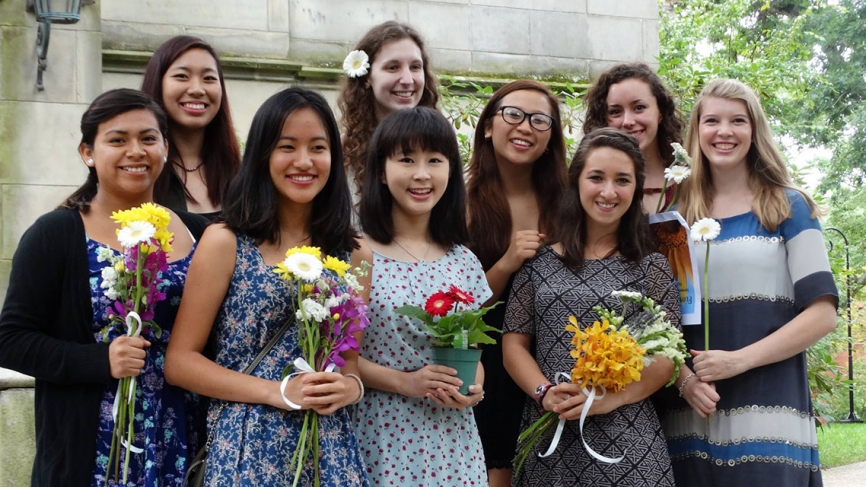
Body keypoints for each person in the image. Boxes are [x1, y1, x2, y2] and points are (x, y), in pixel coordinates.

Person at [0, 88, 209, 486]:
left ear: (166, 148)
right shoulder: (56, 233)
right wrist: (98, 360)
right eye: (117, 139)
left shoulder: (199, 233)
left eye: (148, 139)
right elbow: (11, 339)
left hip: (183, 440)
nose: (136, 151)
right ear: (88, 153)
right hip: (91, 451)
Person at [164, 87, 368, 486]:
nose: (304, 162)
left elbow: (351, 364)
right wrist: (277, 391)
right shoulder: (225, 241)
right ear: (262, 155)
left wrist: (349, 389)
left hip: (329, 450)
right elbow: (180, 362)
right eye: (287, 147)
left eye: (318, 147)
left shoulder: (354, 255)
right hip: (247, 446)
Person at [663, 79, 838, 486]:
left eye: (737, 121)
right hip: (690, 411)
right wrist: (683, 378)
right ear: (696, 131)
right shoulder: (674, 215)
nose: (724, 131)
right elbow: (659, 315)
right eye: (712, 121)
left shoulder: (788, 206)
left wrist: (738, 360)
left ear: (754, 130)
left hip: (769, 408)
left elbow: (823, 315)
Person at [503, 128, 680, 486]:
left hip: (629, 446)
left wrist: (607, 400)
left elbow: (667, 358)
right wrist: (544, 392)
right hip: (549, 438)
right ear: (576, 181)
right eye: (596, 177)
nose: (608, 192)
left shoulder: (653, 266)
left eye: (622, 180)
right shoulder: (537, 262)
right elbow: (513, 344)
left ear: (636, 187)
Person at [352, 107, 490, 486]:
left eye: (435, 160)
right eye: (406, 159)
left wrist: (473, 387)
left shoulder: (465, 261)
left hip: (453, 441)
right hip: (380, 433)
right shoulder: (355, 252)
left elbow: (474, 354)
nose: (421, 174)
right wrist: (406, 382)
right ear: (381, 170)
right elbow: (334, 357)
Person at [465, 79, 568, 486]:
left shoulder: (569, 203)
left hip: (557, 357)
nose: (525, 127)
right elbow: (457, 308)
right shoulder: (461, 201)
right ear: (489, 126)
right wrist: (507, 263)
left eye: (539, 120)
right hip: (488, 362)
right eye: (513, 114)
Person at [141, 35, 241, 220]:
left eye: (209, 78)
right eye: (182, 76)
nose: (197, 89)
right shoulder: (138, 168)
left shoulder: (241, 175)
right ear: (158, 82)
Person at [338, 21, 439, 195]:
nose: (407, 80)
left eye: (415, 67)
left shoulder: (440, 143)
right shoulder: (343, 151)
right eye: (393, 68)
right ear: (367, 78)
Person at [582, 63, 685, 213]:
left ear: (660, 112)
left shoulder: (689, 182)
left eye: (639, 108)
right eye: (615, 111)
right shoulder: (591, 186)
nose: (628, 122)